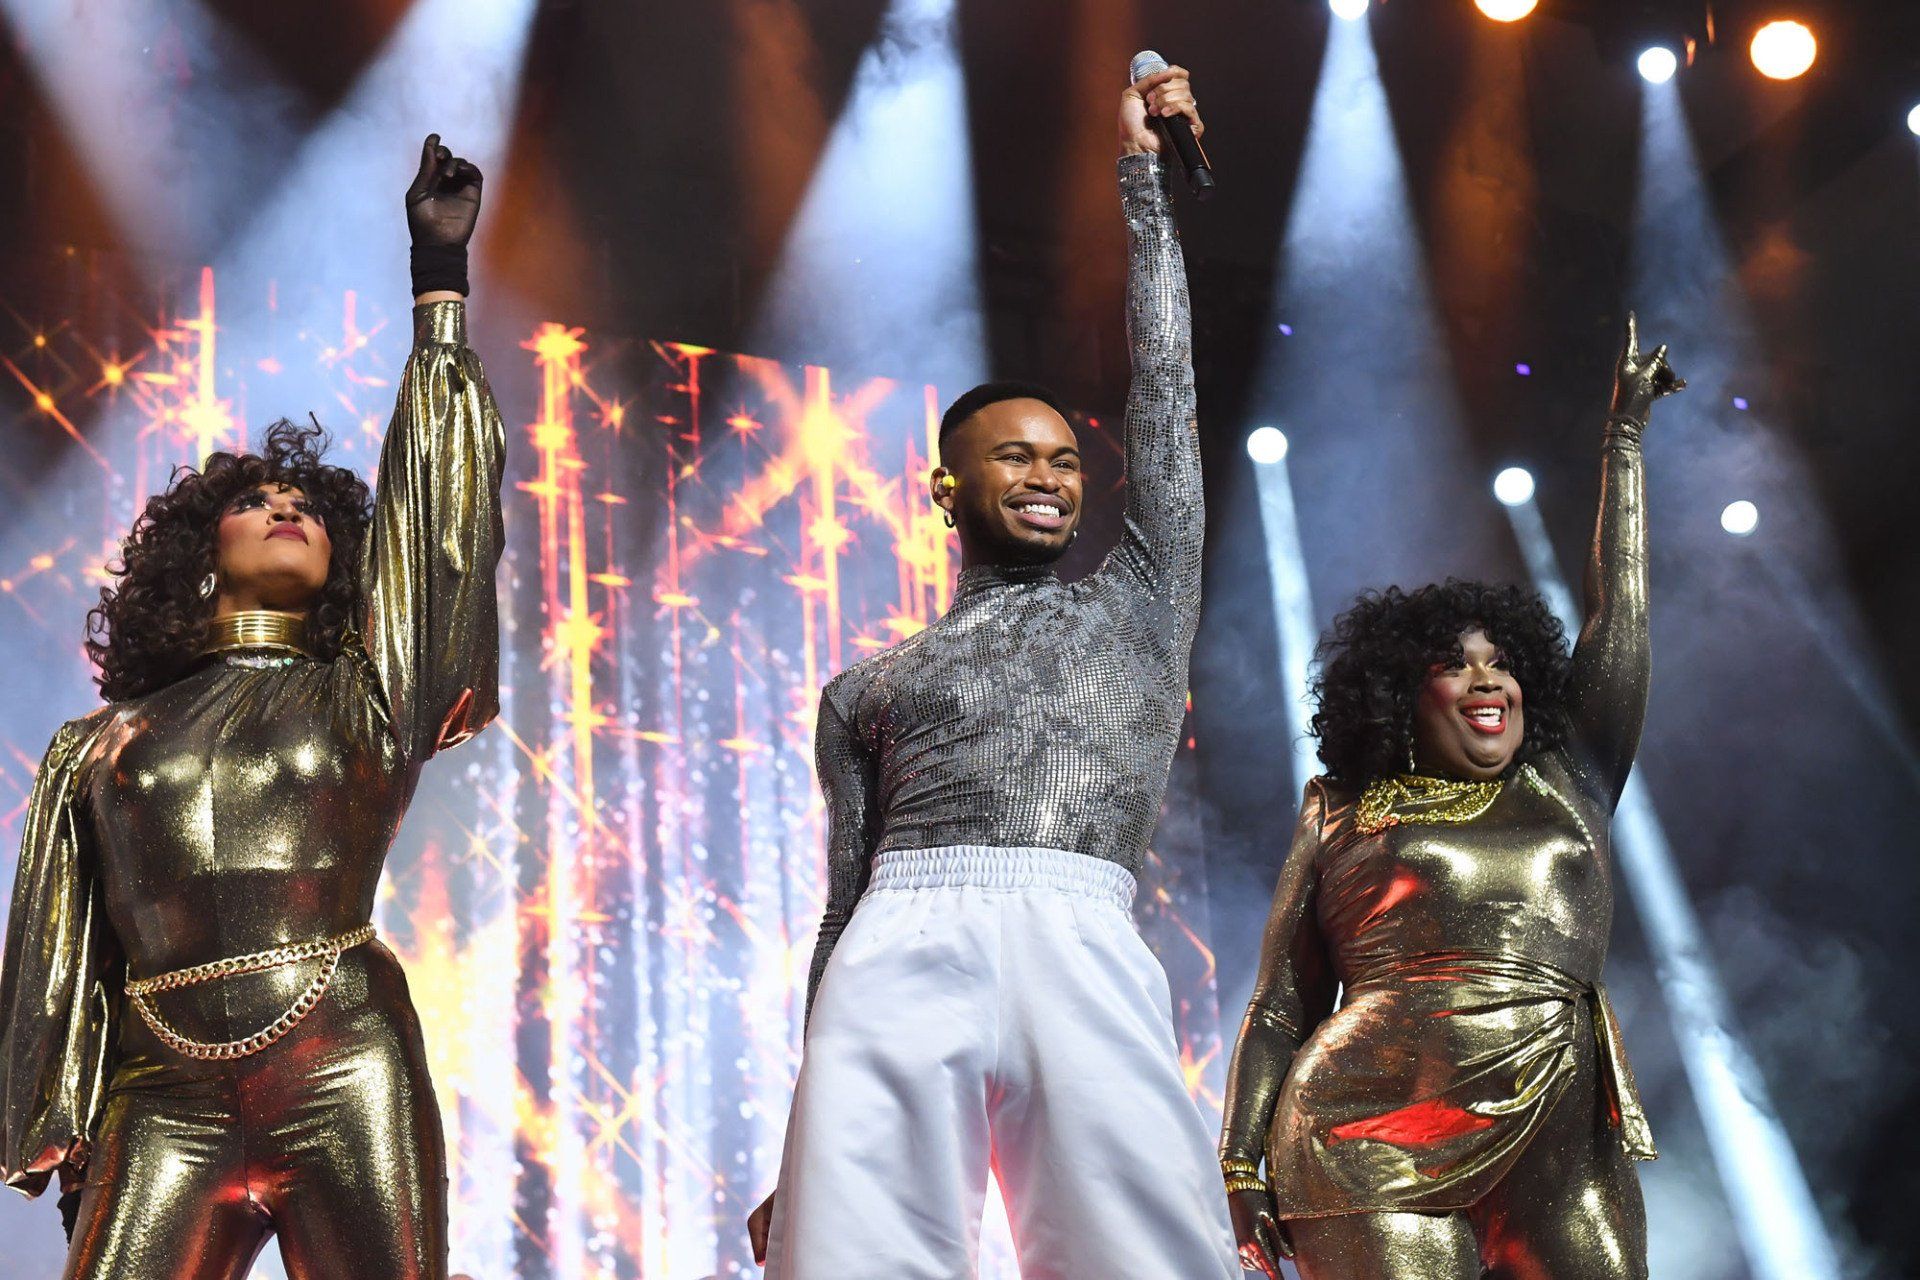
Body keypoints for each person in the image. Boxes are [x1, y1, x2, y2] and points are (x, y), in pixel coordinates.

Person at [746, 66, 1239, 1280]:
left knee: (1153, 1251)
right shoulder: (865, 688)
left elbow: (1166, 392)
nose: (1049, 475)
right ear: (945, 488)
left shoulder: (1140, 600)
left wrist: (1141, 182)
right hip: (899, 940)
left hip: (1080, 928)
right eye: (1013, 456)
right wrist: (806, 1139)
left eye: (1067, 459)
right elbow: (838, 904)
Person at [0, 134, 504, 1280]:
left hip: (343, 1057)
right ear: (198, 553)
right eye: (260, 499)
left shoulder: (365, 691)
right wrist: (61, 1108)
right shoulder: (97, 742)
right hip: (157, 1080)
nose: (289, 509)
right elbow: (61, 949)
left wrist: (440, 288)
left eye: (311, 506)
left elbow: (441, 525)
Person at [1217, 317, 1684, 1279]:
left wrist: (1624, 444)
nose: (1488, 681)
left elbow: (1622, 615)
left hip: (1562, 1139)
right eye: (1454, 665)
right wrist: (1241, 1163)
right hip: (1365, 1135)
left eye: (1502, 662)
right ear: (1400, 694)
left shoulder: (1570, 776)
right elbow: (1280, 1005)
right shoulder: (1344, 805)